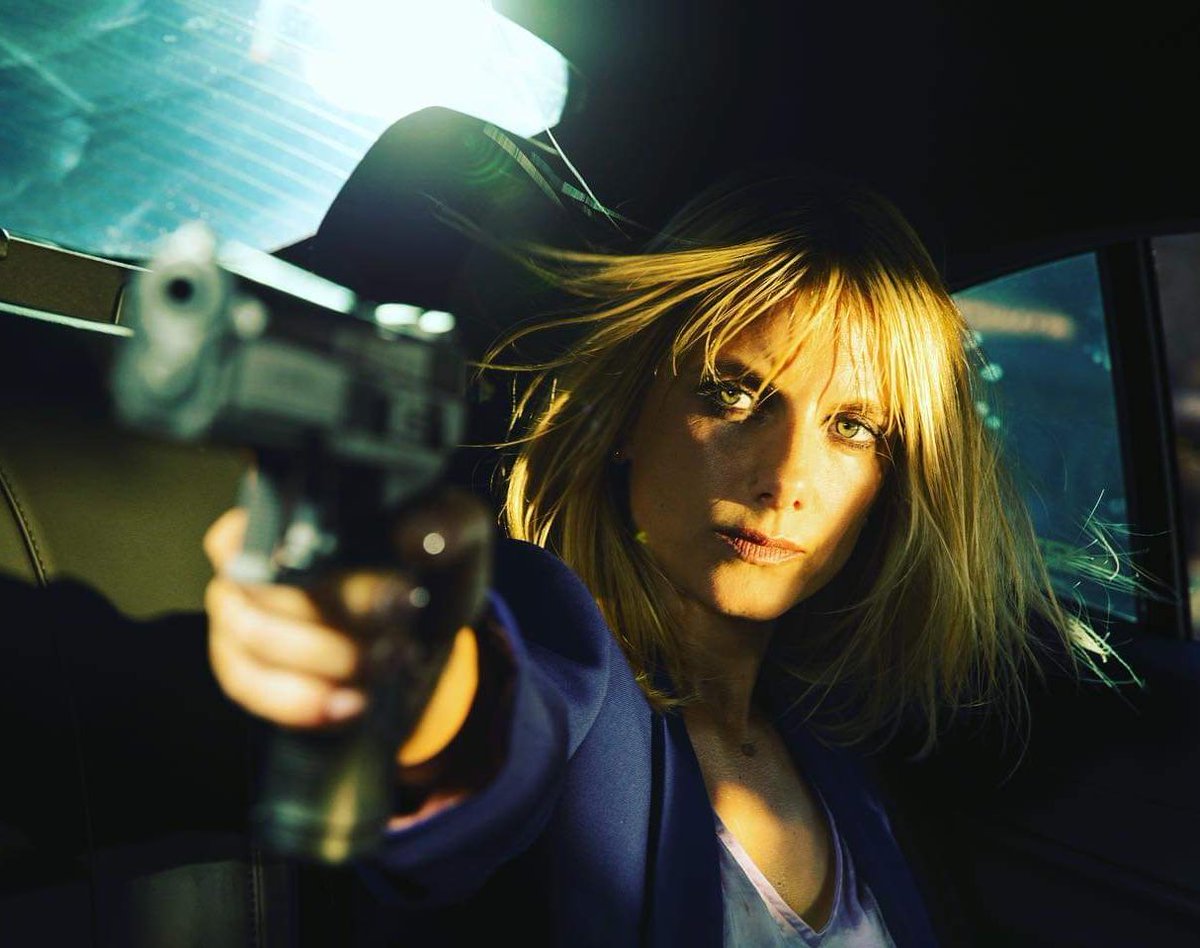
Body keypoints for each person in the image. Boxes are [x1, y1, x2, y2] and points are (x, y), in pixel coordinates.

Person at [202, 169, 1113, 946]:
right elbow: (493, 725)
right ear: (629, 416)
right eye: (733, 394)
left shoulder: (847, 742)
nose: (786, 479)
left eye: (853, 427)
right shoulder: (561, 638)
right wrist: (404, 679)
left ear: (893, 477)